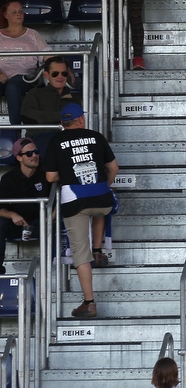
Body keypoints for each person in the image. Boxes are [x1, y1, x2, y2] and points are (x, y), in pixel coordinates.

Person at [44, 103, 119, 319]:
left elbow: (50, 177)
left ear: (62, 123)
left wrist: (67, 174)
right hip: (102, 198)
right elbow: (113, 168)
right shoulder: (96, 136)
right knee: (98, 209)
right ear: (81, 120)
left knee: (80, 253)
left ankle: (89, 302)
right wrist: (106, 184)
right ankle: (98, 249)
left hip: (74, 200)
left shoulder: (56, 141)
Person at [0, 139, 51, 275]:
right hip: (16, 225)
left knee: (56, 225)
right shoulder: (8, 179)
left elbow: (60, 200)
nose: (35, 156)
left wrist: (51, 217)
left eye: (36, 152)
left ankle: (52, 269)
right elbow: (0, 208)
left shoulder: (46, 176)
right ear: (19, 158)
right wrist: (12, 215)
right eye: (29, 154)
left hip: (41, 223)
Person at [21, 56, 83, 157]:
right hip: (42, 138)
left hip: (68, 139)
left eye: (64, 73)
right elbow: (27, 116)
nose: (60, 77)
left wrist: (46, 118)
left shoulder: (73, 99)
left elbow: (77, 121)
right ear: (46, 75)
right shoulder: (35, 93)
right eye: (55, 74)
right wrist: (62, 116)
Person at [0, 0, 46, 125]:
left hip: (25, 77)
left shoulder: (32, 34)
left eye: (21, 11)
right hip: (2, 76)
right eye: (14, 12)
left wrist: (64, 67)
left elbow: (48, 56)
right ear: (5, 15)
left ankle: (16, 132)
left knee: (12, 87)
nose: (19, 14)